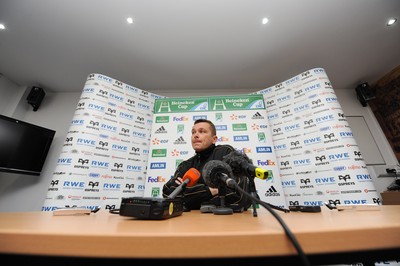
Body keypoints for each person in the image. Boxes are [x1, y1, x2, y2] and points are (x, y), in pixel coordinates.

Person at [162, 119, 252, 211]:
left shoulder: (226, 153)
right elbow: (169, 195)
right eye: (193, 132)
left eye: (202, 131)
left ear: (214, 139)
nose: (195, 135)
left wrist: (192, 197)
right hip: (192, 222)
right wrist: (211, 191)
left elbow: (239, 196)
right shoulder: (185, 165)